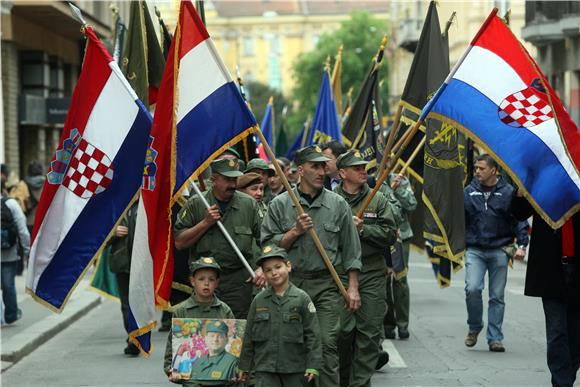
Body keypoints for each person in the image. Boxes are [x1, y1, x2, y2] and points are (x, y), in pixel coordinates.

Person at [261, 145, 362, 387]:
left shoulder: (338, 205)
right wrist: (294, 232)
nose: (321, 171)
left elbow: (351, 250)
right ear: (299, 170)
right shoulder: (280, 204)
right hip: (291, 286)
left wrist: (353, 288)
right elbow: (267, 246)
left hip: (327, 285)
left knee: (327, 343)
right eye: (314, 166)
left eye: (323, 166)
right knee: (293, 344)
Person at [333, 150, 398, 386]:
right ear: (342, 173)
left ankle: (359, 383)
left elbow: (391, 235)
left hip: (370, 272)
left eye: (364, 167)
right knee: (341, 332)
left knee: (369, 333)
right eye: (356, 168)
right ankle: (342, 379)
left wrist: (363, 230)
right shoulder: (330, 200)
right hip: (339, 272)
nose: (363, 171)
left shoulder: (378, 199)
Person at [174, 158, 265, 319]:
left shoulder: (248, 205)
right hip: (206, 282)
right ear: (213, 180)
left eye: (235, 179)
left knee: (238, 334)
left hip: (238, 284)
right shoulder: (196, 203)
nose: (232, 184)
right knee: (204, 336)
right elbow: (180, 242)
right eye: (227, 179)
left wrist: (262, 267)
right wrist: (205, 223)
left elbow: (266, 239)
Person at [463, 154, 529, 352]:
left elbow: (519, 219)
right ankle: (474, 327)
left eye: (481, 168)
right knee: (472, 289)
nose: (477, 172)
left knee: (497, 296)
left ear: (494, 170)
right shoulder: (468, 191)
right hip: (474, 249)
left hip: (500, 249)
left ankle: (495, 338)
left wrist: (522, 246)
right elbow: (459, 219)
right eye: (476, 168)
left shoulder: (508, 192)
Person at [512, 195, 579, 386]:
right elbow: (518, 211)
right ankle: (562, 383)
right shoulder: (541, 174)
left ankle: (567, 377)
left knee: (576, 334)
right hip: (551, 267)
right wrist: (523, 189)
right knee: (557, 331)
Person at [238, 245, 322, 387]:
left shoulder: (302, 298)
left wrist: (313, 365)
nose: (274, 273)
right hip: (265, 368)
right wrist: (244, 365)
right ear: (263, 274)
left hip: (294, 367)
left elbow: (313, 334)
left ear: (288, 266)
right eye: (268, 270)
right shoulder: (258, 300)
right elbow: (249, 336)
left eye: (278, 267)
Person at [164, 257, 235, 386]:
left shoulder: (224, 310)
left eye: (211, 279)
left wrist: (235, 371)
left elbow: (232, 343)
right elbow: (172, 344)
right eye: (201, 279)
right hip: (192, 379)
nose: (206, 283)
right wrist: (171, 370)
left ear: (217, 283)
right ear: (192, 281)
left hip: (220, 380)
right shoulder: (182, 311)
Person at [380, 171, 418, 340]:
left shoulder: (399, 178)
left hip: (400, 235)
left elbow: (411, 204)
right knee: (383, 280)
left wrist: (395, 189)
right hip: (379, 234)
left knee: (399, 279)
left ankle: (403, 324)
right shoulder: (370, 177)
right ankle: (388, 324)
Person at [107, 200, 140, 355]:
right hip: (123, 264)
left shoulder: (146, 203)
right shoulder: (115, 205)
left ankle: (138, 336)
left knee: (140, 303)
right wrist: (112, 232)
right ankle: (132, 336)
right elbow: (99, 238)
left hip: (142, 263)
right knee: (126, 304)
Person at [1, 164, 30, 325]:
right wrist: (27, 249)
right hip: (8, 252)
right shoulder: (11, 204)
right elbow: (22, 228)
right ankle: (11, 315)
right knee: (8, 285)